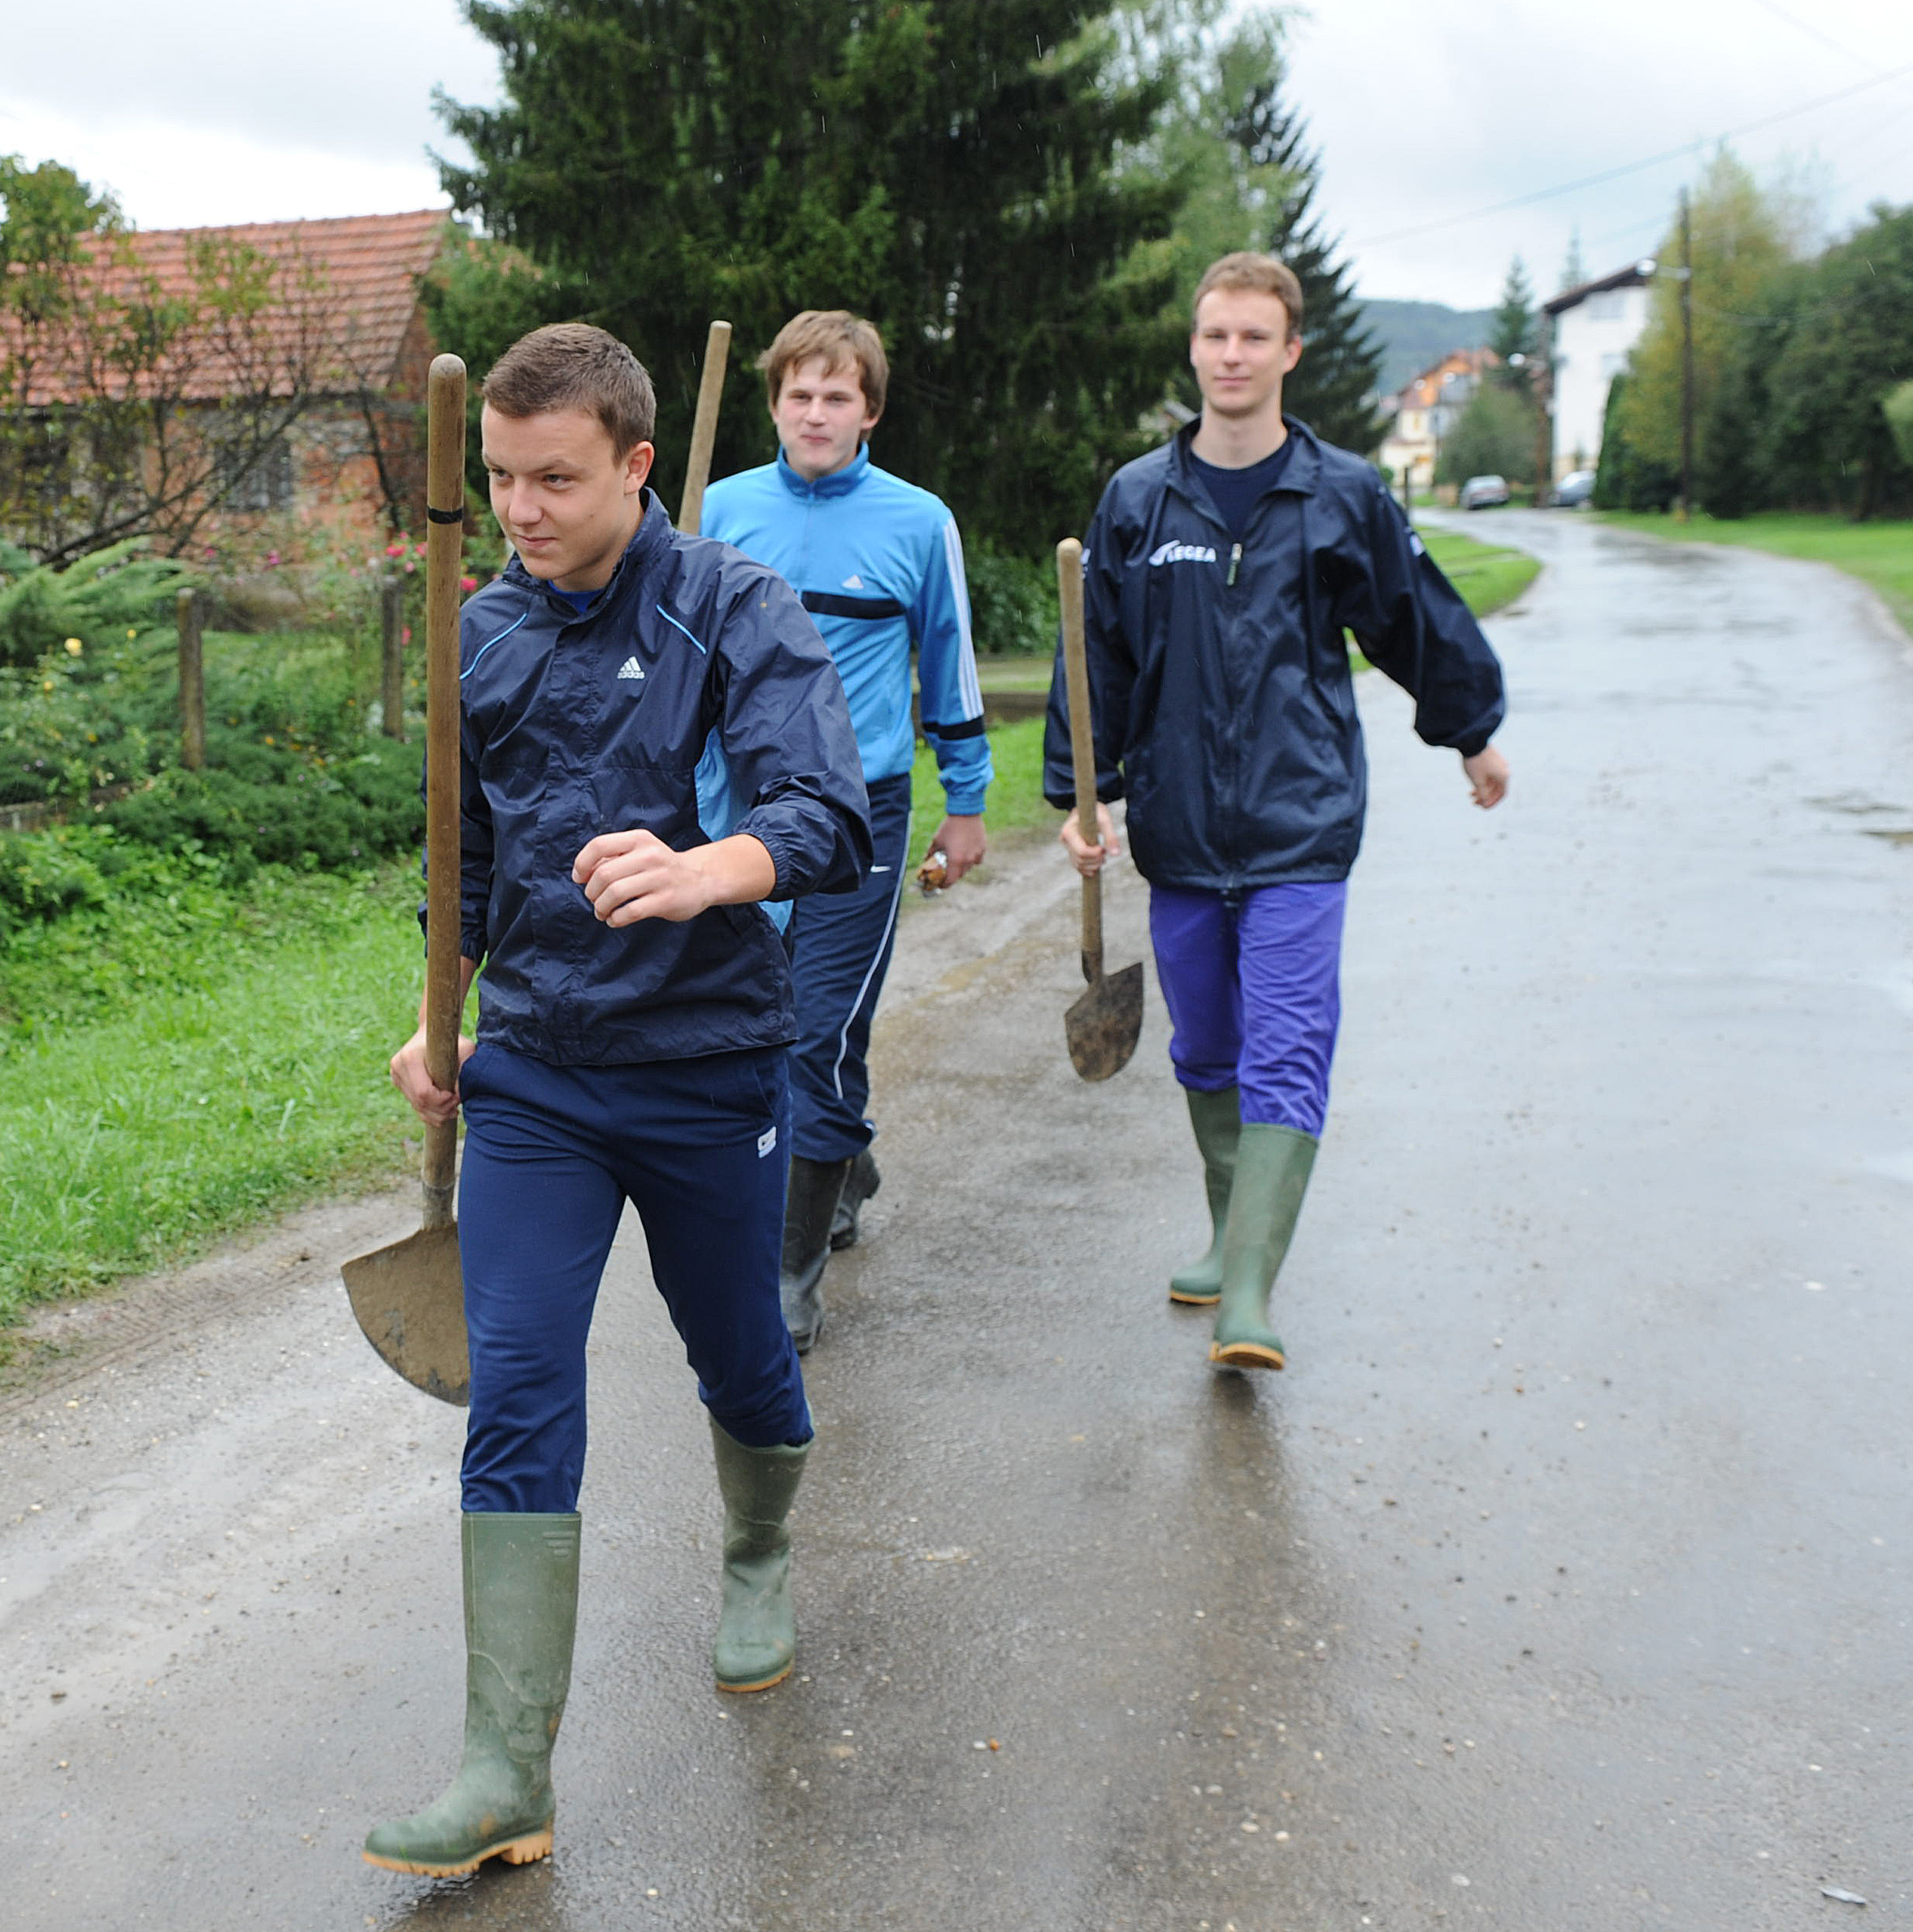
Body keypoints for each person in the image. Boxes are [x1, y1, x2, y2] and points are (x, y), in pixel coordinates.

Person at [362, 323, 870, 1878]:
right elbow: (460, 860)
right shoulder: (481, 632)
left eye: (556, 479)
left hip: (708, 1060)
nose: (521, 506)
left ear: (638, 466)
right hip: (537, 1071)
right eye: (501, 477)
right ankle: (507, 1769)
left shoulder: (735, 608)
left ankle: (760, 1543)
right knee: (518, 1379)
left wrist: (699, 866)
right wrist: (436, 1018)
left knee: (739, 1349)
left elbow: (824, 811)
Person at [1046, 252, 1509, 1373]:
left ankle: (1251, 1288)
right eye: (1217, 336)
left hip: (1301, 826)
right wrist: (1079, 789)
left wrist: (1472, 729)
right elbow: (1093, 654)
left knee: (1288, 1048)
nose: (1234, 355)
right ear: (1195, 348)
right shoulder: (1138, 500)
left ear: (1290, 351)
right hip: (1181, 831)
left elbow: (1413, 616)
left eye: (1256, 337)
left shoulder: (1343, 492)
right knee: (1206, 1043)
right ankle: (1223, 1236)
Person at [705, 310, 991, 1353]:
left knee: (817, 1027)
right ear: (773, 400)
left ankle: (787, 1274)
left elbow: (949, 667)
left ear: (867, 409)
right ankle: (841, 1163)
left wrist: (966, 801)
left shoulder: (917, 523)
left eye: (836, 396)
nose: (815, 413)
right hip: (733, 810)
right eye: (798, 393)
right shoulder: (717, 510)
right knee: (748, 1021)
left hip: (858, 812)